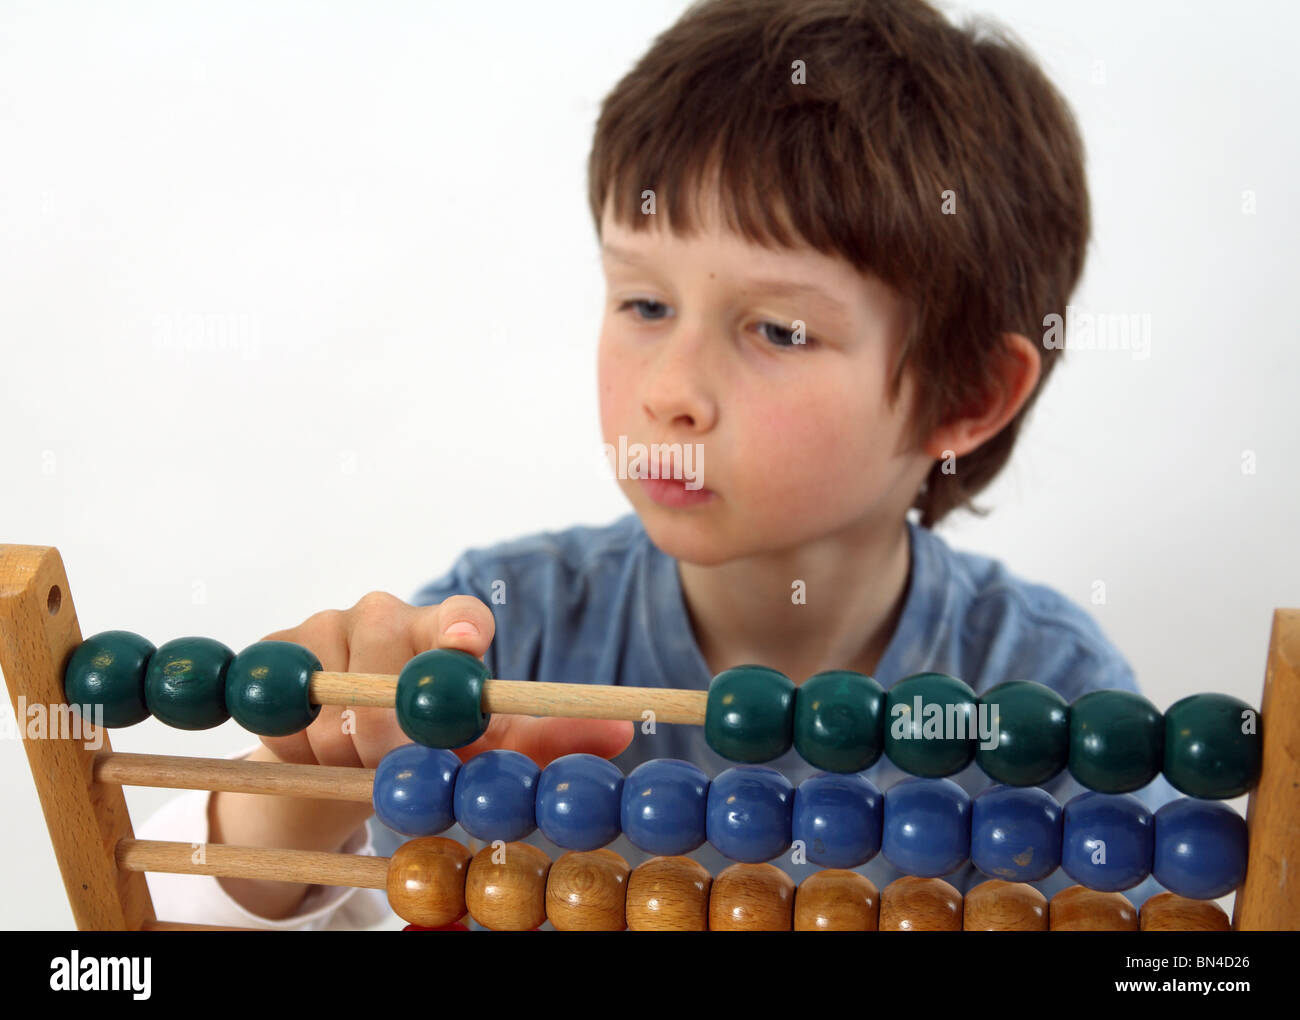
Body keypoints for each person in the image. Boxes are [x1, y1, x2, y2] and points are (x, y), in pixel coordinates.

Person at [137, 0, 1182, 930]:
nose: (669, 388)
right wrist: (305, 777)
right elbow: (204, 900)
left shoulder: (1050, 703)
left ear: (966, 398)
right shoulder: (504, 633)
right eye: (643, 304)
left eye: (775, 329)